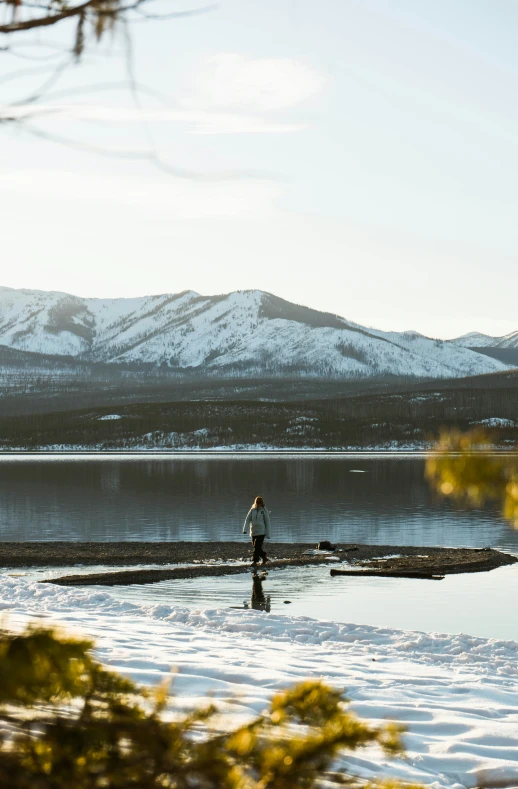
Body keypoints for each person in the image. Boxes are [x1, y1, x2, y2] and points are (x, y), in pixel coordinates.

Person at [242, 495, 271, 566]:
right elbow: (247, 519)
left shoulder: (264, 511)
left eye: (259, 503)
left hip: (261, 532)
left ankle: (255, 561)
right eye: (257, 503)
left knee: (257, 546)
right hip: (253, 532)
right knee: (256, 547)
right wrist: (245, 529)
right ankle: (264, 556)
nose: (258, 505)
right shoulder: (252, 510)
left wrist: (268, 534)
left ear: (261, 503)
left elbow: (267, 522)